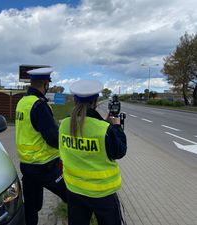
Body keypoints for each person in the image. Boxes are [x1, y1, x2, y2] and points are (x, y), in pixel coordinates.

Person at [58, 80, 127, 225]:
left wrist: (105, 122)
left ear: (75, 100)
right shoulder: (104, 129)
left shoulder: (64, 124)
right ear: (95, 101)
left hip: (74, 190)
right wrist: (117, 127)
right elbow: (119, 151)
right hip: (102, 193)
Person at [15, 67, 67, 225]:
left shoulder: (22, 102)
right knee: (73, 196)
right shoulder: (39, 105)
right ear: (45, 84)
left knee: (32, 207)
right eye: (48, 85)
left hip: (27, 166)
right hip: (46, 166)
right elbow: (52, 138)